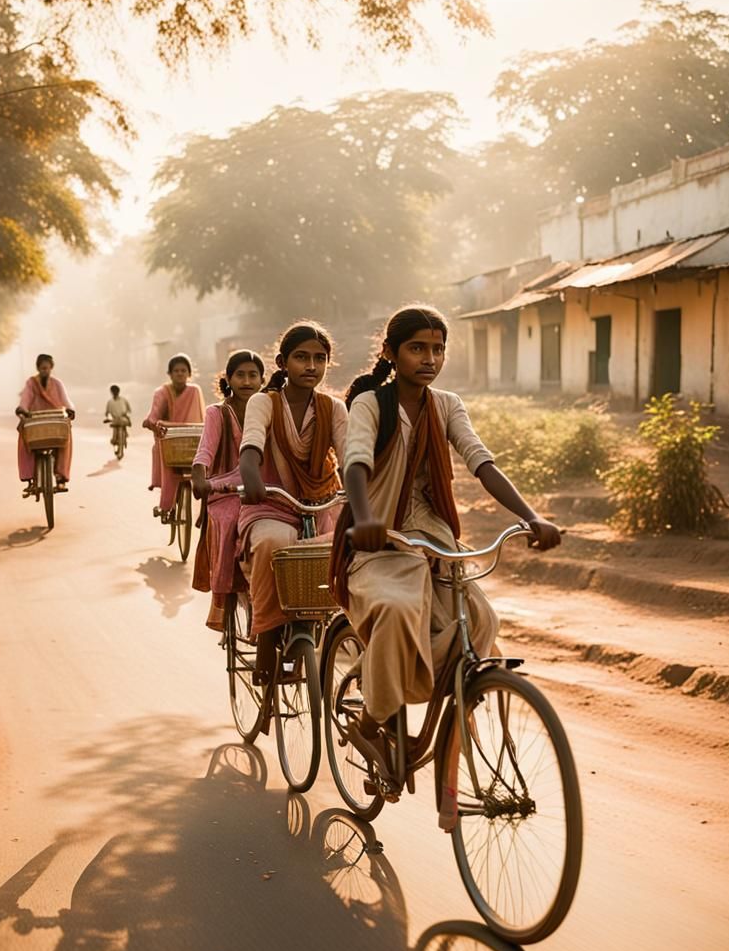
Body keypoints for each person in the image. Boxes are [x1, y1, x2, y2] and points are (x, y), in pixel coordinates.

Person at [330, 305, 561, 822]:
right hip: (377, 539)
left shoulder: (448, 405)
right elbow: (356, 463)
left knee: (479, 620)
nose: (430, 358)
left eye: (438, 349)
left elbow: (483, 463)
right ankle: (370, 723)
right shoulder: (371, 403)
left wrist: (531, 516)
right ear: (391, 352)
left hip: (432, 537)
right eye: (418, 348)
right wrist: (364, 520)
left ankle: (437, 713)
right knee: (395, 609)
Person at [239, 322, 348, 682]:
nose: (311, 366)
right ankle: (268, 641)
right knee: (275, 543)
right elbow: (251, 444)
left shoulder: (333, 409)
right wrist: (251, 477)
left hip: (321, 504)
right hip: (271, 502)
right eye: (302, 357)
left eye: (320, 358)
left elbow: (350, 459)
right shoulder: (263, 402)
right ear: (283, 362)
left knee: (351, 549)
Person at [191, 350, 266, 629]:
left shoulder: (270, 407)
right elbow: (205, 451)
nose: (247, 381)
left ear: (262, 380)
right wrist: (199, 477)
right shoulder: (217, 413)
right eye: (240, 375)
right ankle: (226, 599)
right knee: (230, 520)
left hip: (265, 489)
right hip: (227, 491)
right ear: (229, 379)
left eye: (253, 375)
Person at [142, 354, 206, 517]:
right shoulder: (162, 392)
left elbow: (200, 417)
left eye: (183, 370)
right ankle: (166, 506)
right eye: (176, 371)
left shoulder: (194, 391)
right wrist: (152, 422)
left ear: (189, 373)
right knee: (168, 464)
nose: (180, 374)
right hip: (170, 439)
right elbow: (154, 414)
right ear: (169, 374)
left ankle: (207, 511)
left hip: (191, 438)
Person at [15, 354, 75, 494]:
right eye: (42, 368)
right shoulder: (31, 383)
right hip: (35, 419)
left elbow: (66, 400)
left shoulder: (57, 383)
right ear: (38, 368)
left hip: (55, 420)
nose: (44, 371)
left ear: (51, 368)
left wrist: (71, 410)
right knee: (23, 435)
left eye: (47, 368)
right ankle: (29, 477)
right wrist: (22, 410)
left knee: (66, 435)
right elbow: (25, 399)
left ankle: (61, 478)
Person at [104, 384, 132, 451]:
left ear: (118, 391)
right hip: (115, 419)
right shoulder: (110, 402)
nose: (115, 392)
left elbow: (129, 410)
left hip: (123, 418)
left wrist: (126, 415)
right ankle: (115, 440)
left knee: (124, 422)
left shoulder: (124, 400)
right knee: (115, 428)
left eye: (116, 391)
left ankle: (125, 434)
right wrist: (108, 418)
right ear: (111, 392)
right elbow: (107, 413)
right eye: (113, 391)